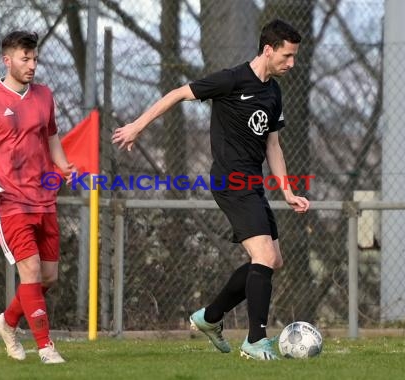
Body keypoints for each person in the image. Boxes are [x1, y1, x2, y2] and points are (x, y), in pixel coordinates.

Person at [112, 19, 309, 360]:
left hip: (253, 182)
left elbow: (273, 146)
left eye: (294, 56)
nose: (291, 63)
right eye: (287, 55)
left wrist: (287, 191)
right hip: (230, 181)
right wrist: (137, 126)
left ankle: (210, 317)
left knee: (273, 260)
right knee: (263, 256)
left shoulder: (273, 92)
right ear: (268, 50)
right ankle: (255, 342)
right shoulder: (232, 79)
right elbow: (177, 94)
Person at [0, 30, 74, 364]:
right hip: (9, 202)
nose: (32, 65)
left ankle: (7, 323)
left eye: (35, 58)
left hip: (44, 199)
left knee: (49, 277)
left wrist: (63, 167)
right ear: (7, 60)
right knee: (31, 270)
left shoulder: (44, 96)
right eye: (25, 59)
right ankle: (46, 348)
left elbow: (51, 136)